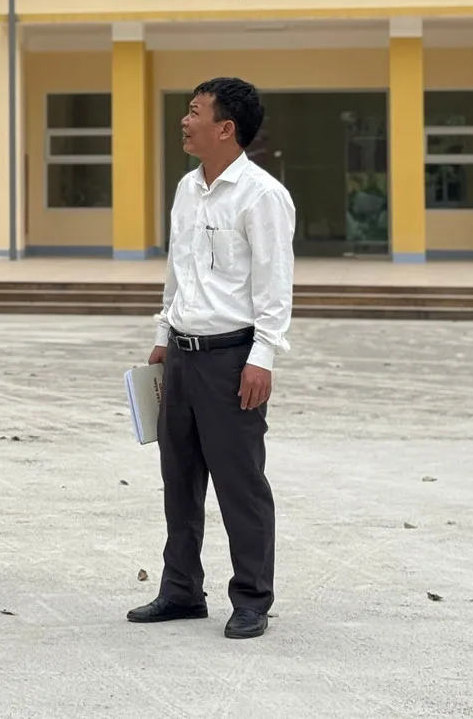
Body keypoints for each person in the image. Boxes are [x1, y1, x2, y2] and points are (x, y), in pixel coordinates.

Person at [129, 77, 294, 641]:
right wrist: (163, 332)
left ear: (225, 128)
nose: (185, 120)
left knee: (239, 483)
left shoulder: (262, 195)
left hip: (231, 359)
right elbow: (178, 270)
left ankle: (251, 598)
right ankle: (181, 590)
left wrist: (262, 356)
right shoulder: (186, 188)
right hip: (181, 353)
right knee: (179, 480)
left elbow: (274, 284)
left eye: (195, 111)